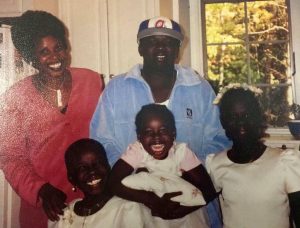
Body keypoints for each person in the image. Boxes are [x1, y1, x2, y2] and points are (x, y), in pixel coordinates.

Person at [90, 16, 231, 227]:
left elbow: (220, 140)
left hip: (192, 201)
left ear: (178, 48)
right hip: (133, 202)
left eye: (168, 41)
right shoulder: (116, 89)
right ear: (140, 47)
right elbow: (102, 142)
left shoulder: (199, 88)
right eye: (152, 41)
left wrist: (186, 176)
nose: (160, 47)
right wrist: (138, 179)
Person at [0, 10, 104, 228]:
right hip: (46, 207)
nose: (55, 57)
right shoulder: (13, 98)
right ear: (31, 57)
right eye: (43, 52)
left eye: (58, 48)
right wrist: (41, 190)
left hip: (94, 201)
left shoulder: (92, 81)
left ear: (67, 47)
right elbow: (11, 158)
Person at [206, 84, 300, 228]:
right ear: (224, 123)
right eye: (233, 116)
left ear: (258, 118)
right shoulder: (216, 164)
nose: (241, 122)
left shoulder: (285, 162)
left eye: (247, 115)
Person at [108, 104, 216, 227]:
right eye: (148, 132)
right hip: (151, 217)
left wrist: (178, 212)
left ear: (173, 133)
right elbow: (113, 183)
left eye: (163, 130)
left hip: (187, 217)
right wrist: (151, 199)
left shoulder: (180, 152)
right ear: (139, 137)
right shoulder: (138, 151)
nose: (156, 137)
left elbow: (209, 191)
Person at [48, 138, 144, 228]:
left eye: (98, 163)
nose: (92, 171)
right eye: (82, 168)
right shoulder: (62, 215)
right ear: (72, 179)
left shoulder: (127, 208)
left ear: (108, 167)